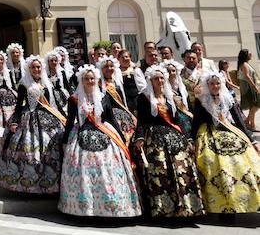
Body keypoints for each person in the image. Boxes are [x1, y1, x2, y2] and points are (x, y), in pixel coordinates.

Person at [57, 66, 141, 218]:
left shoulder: (103, 96)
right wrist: (65, 141)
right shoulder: (74, 99)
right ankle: (82, 207)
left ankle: (113, 207)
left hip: (105, 131)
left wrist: (121, 138)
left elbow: (111, 118)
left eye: (92, 78)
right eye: (87, 79)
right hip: (81, 135)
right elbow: (70, 122)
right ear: (81, 80)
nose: (90, 81)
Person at [131, 65, 205, 218]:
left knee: (183, 168)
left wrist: (188, 136)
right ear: (150, 81)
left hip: (173, 136)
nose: (159, 81)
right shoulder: (144, 97)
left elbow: (177, 119)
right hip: (154, 136)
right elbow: (141, 121)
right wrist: (139, 138)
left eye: (161, 78)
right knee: (161, 170)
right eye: (156, 79)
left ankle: (186, 208)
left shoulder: (170, 96)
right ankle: (164, 210)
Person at [191, 71, 260, 214]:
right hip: (209, 132)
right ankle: (220, 204)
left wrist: (251, 139)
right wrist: (191, 140)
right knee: (210, 160)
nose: (215, 86)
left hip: (229, 130)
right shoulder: (201, 100)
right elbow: (196, 122)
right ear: (207, 85)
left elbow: (239, 121)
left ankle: (248, 199)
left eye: (218, 83)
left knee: (246, 160)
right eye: (212, 84)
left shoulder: (228, 99)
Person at [0, 55, 66, 194]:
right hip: (29, 117)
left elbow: (54, 104)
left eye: (38, 67)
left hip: (48, 117)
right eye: (33, 67)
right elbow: (19, 105)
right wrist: (15, 121)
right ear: (29, 69)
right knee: (27, 147)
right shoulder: (24, 83)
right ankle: (28, 182)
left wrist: (64, 118)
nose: (36, 69)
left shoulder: (47, 83)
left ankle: (50, 183)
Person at [96, 55, 136, 144]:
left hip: (123, 114)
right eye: (106, 66)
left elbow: (123, 100)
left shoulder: (116, 82)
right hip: (109, 117)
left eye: (111, 66)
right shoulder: (98, 84)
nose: (109, 69)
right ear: (101, 69)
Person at [238, 49, 259, 131]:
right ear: (245, 55)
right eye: (249, 53)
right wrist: (254, 86)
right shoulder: (244, 64)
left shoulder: (245, 64)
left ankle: (248, 122)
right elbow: (247, 76)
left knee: (254, 106)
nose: (251, 54)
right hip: (248, 88)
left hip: (250, 87)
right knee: (255, 105)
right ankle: (251, 125)